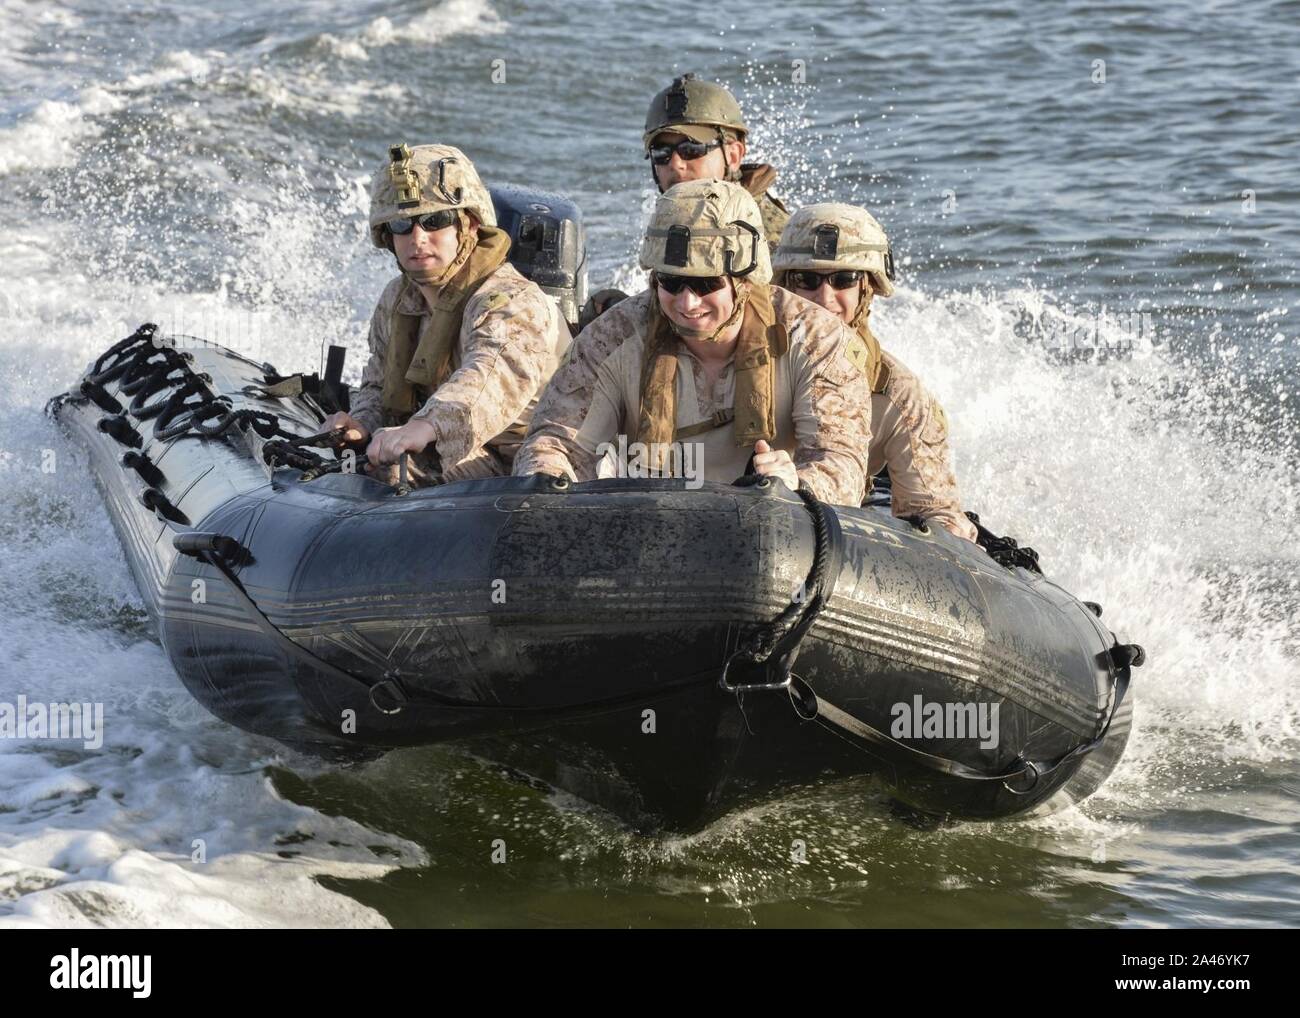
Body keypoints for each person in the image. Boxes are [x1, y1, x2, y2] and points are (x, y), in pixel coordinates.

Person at [514, 179, 872, 506]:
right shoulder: (613, 338)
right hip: (647, 522)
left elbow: (841, 462)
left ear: (744, 281)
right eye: (671, 282)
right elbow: (555, 441)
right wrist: (550, 481)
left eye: (706, 285)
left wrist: (795, 485)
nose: (687, 303)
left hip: (772, 531)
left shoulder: (814, 339)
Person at [325, 143, 566, 485]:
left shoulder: (511, 301)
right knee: (366, 466)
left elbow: (488, 381)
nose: (418, 238)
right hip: (452, 448)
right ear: (386, 237)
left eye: (435, 220)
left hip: (528, 460)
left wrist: (426, 426)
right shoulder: (397, 300)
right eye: (401, 226)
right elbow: (379, 382)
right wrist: (360, 424)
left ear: (468, 225)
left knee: (397, 472)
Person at [772, 203, 978, 541]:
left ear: (866, 289)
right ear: (786, 287)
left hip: (834, 532)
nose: (825, 298)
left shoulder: (897, 394)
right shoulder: (744, 361)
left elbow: (933, 511)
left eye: (843, 280)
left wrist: (952, 531)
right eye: (806, 280)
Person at [578, 73, 793, 328]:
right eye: (662, 153)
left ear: (733, 155)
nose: (676, 163)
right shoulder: (681, 219)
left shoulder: (765, 236)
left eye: (691, 149)